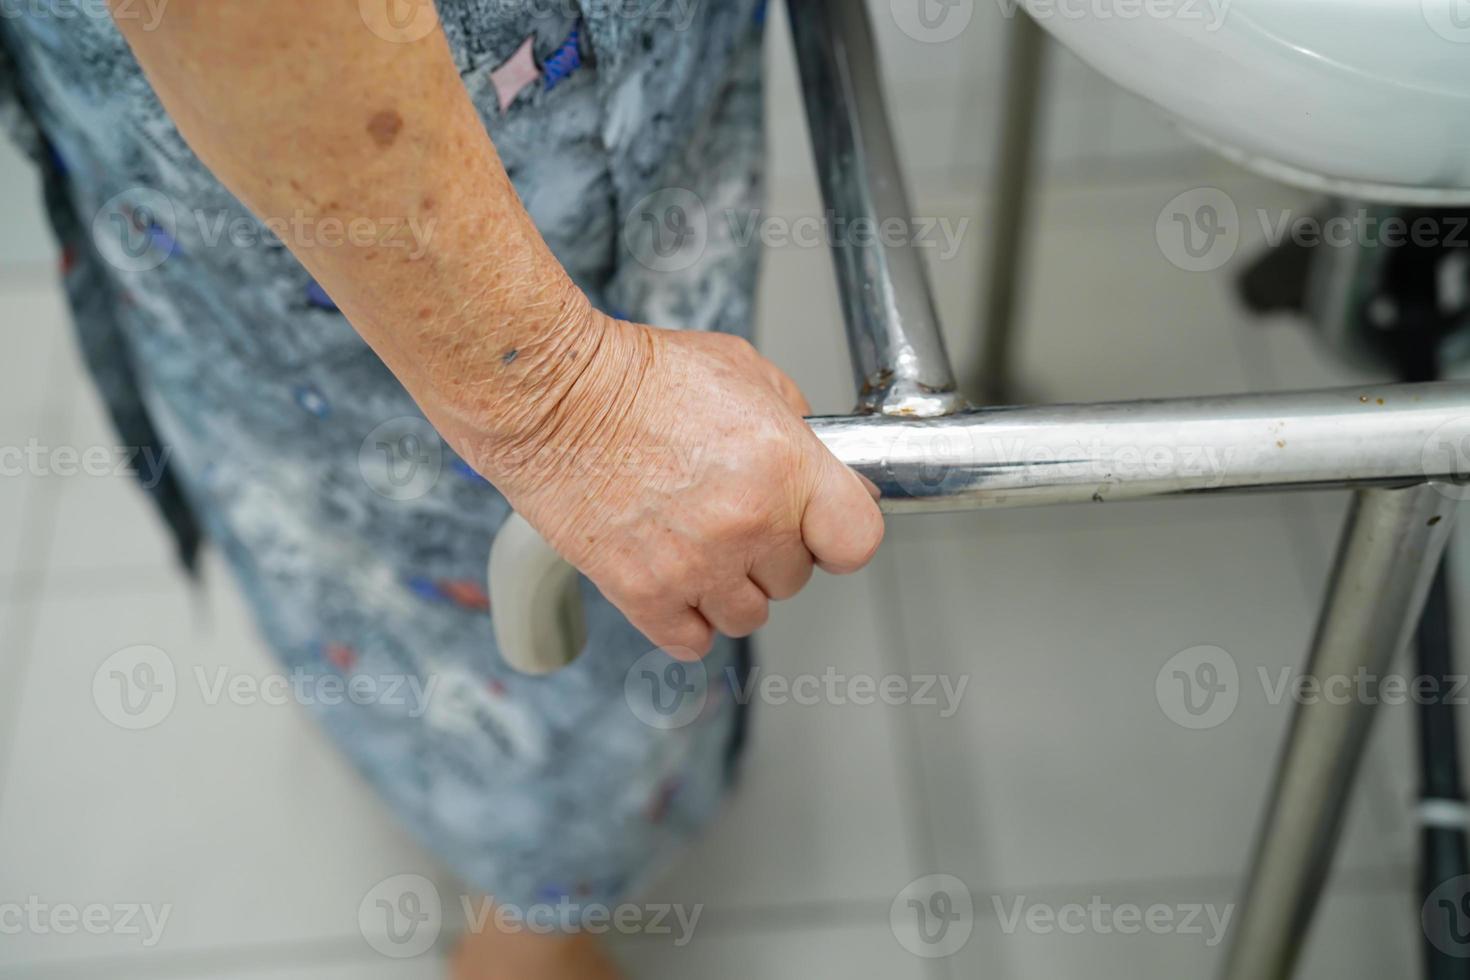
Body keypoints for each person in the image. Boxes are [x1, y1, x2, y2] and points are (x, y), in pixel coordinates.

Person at [0, 2, 885, 977]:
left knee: (575, 575)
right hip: (323, 138)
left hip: (640, 82)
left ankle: (541, 877)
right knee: (444, 585)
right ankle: (530, 912)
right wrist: (563, 405)